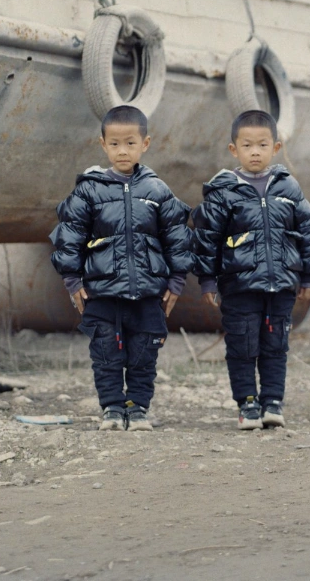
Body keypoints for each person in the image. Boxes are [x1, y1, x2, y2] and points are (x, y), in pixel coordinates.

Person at [50, 104, 193, 431]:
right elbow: (69, 235)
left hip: (147, 294)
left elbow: (177, 237)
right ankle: (112, 408)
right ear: (103, 145)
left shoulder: (158, 191)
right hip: (102, 293)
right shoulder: (89, 190)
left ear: (145, 144)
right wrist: (73, 280)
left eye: (130, 143)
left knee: (144, 354)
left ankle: (138, 408)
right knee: (106, 354)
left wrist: (177, 281)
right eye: (114, 144)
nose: (122, 151)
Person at [192, 109, 310, 430]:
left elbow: (308, 231)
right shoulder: (224, 192)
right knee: (242, 344)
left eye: (262, 145)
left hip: (281, 285)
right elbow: (207, 239)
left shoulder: (288, 188)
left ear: (275, 148)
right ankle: (247, 404)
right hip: (239, 286)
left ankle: (272, 402)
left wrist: (309, 275)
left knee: (276, 344)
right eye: (247, 145)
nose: (255, 152)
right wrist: (208, 281)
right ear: (233, 150)